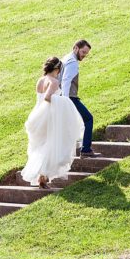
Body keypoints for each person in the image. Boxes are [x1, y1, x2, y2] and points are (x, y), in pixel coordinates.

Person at [20, 57, 85, 188]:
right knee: (51, 145)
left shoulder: (40, 80)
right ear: (57, 69)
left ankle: (42, 176)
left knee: (41, 145)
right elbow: (48, 97)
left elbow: (40, 98)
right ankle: (43, 176)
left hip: (38, 114)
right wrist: (65, 102)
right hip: (49, 116)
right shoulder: (54, 82)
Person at [60, 39, 100, 158]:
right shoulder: (72, 62)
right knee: (88, 119)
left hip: (66, 96)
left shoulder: (66, 58)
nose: (84, 55)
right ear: (76, 48)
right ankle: (86, 150)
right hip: (70, 98)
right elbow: (66, 81)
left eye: (86, 54)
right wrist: (65, 101)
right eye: (83, 52)